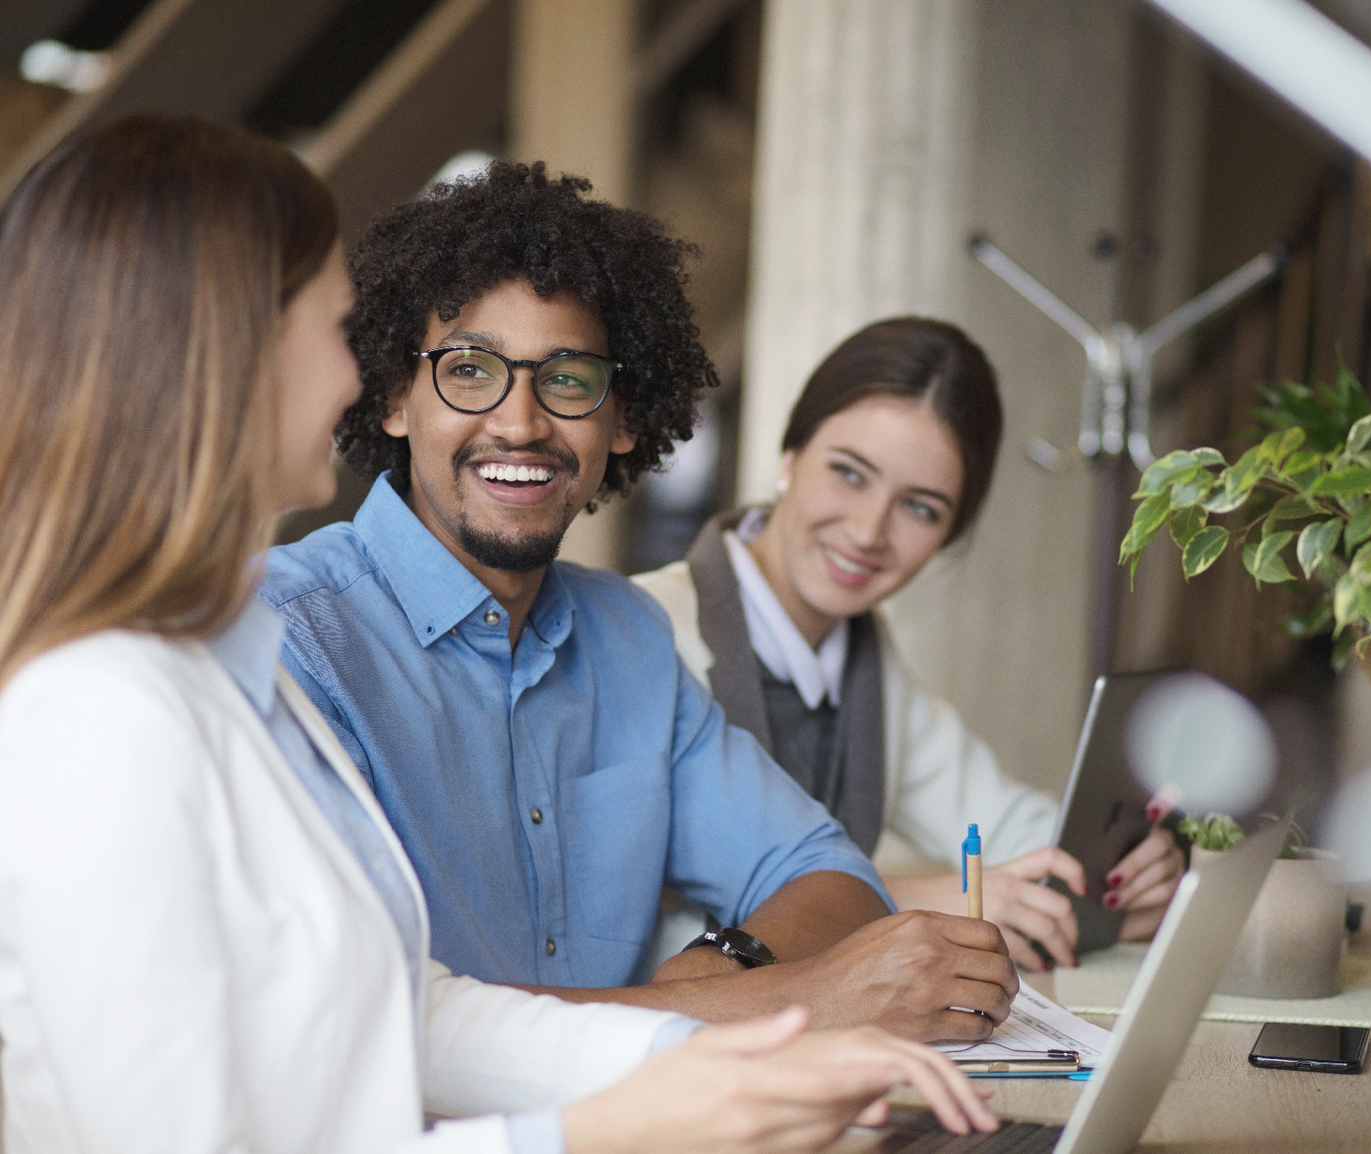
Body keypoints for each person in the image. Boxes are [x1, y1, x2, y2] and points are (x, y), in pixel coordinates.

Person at [0, 117, 998, 1154]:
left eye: (565, 379)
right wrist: (604, 1125)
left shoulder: (222, 673)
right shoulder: (106, 713)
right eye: (331, 331)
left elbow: (408, 1009)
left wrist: (707, 1060)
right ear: (224, 356)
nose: (347, 373)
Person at [259, 161, 1018, 1040]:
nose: (518, 423)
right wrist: (761, 1001)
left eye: (570, 379)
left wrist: (725, 965)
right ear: (395, 395)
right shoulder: (291, 640)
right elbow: (369, 1026)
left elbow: (827, 872)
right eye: (470, 371)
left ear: (623, 419)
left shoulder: (629, 641)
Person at [633, 318, 1185, 973]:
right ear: (789, 456)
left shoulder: (864, 662)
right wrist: (906, 900)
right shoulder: (641, 628)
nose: (868, 531)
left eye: (920, 508)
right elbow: (629, 900)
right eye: (848, 472)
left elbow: (1012, 828)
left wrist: (1132, 862)